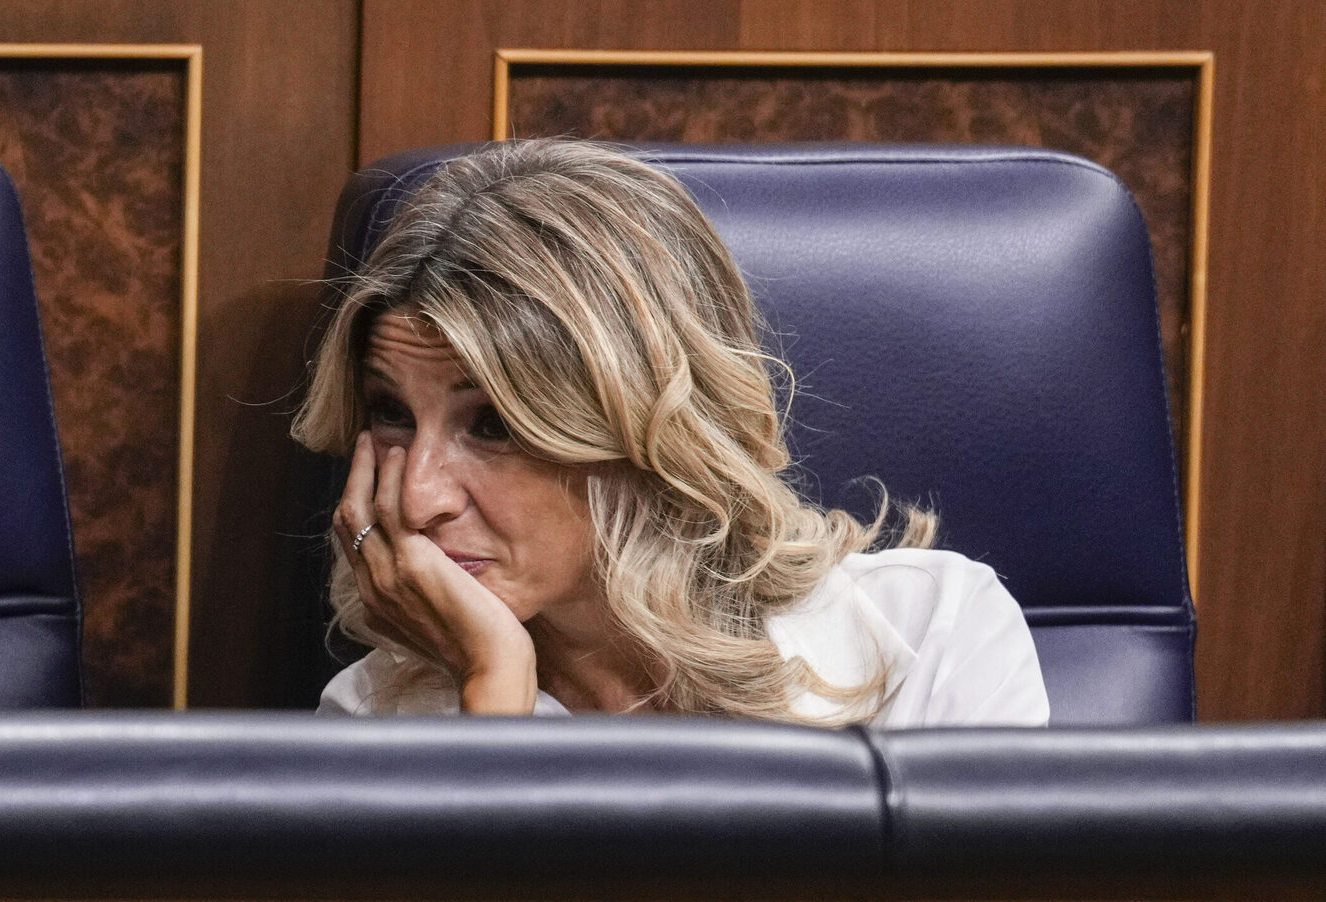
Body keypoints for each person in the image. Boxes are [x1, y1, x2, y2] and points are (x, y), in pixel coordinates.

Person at [293, 139, 1048, 727]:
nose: (416, 497)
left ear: (648, 430)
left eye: (493, 424)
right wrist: (493, 690)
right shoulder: (376, 715)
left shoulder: (929, 636)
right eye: (391, 414)